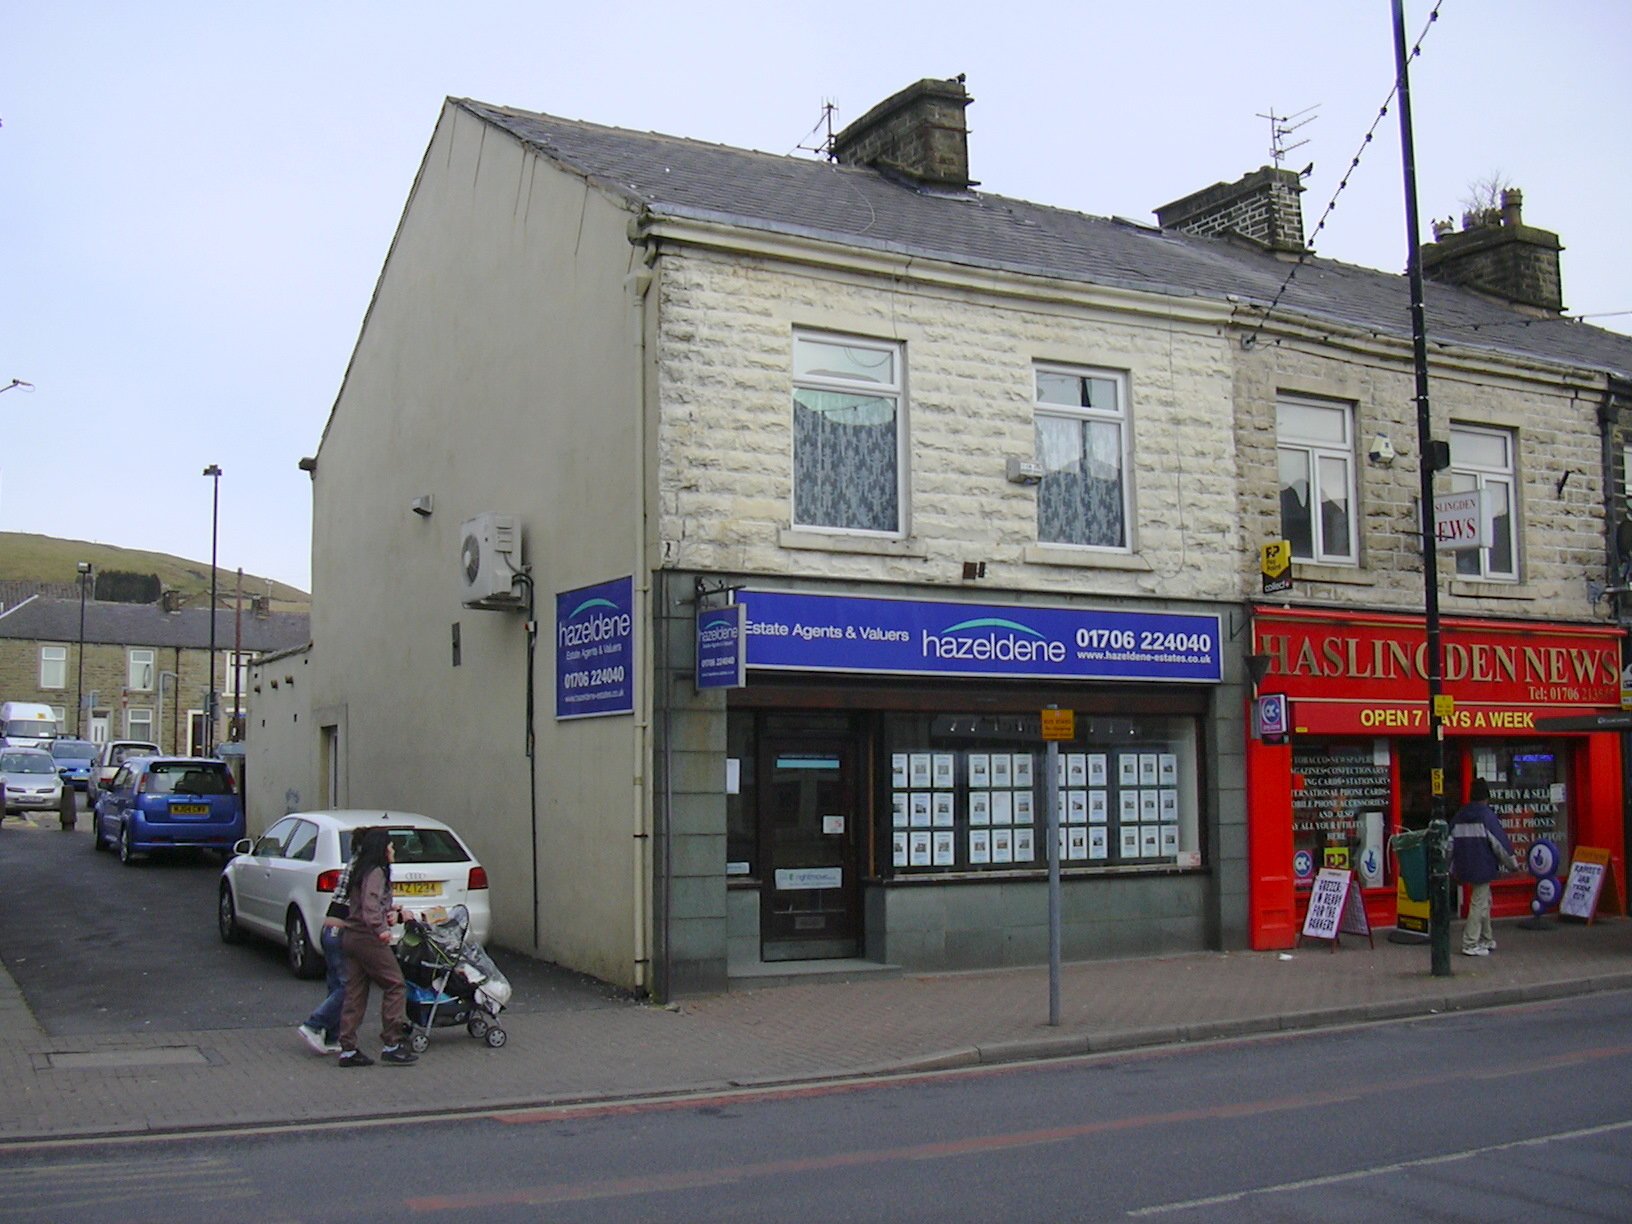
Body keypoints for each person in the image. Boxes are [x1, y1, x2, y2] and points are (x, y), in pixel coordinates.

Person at [336, 827, 416, 1066]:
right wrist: (380, 928)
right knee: (395, 984)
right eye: (390, 846)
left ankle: (348, 1049)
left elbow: (364, 903)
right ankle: (392, 1042)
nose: (393, 850)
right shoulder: (377, 872)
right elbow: (370, 904)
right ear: (382, 848)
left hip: (351, 936)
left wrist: (390, 910)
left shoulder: (360, 869)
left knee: (355, 993)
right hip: (368, 937)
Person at [295, 828, 367, 1055]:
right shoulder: (363, 869)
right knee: (347, 986)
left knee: (336, 984)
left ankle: (332, 1035)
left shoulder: (353, 864)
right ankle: (314, 1025)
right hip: (339, 931)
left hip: (329, 930)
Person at [1450, 778, 1517, 957]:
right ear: (1486, 798)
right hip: (1483, 865)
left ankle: (1487, 937)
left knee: (1484, 900)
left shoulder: (1460, 815)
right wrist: (1512, 864)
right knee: (1479, 903)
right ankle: (1470, 942)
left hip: (1463, 865)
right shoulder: (1487, 816)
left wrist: (1450, 867)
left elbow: (1448, 844)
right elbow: (1499, 844)